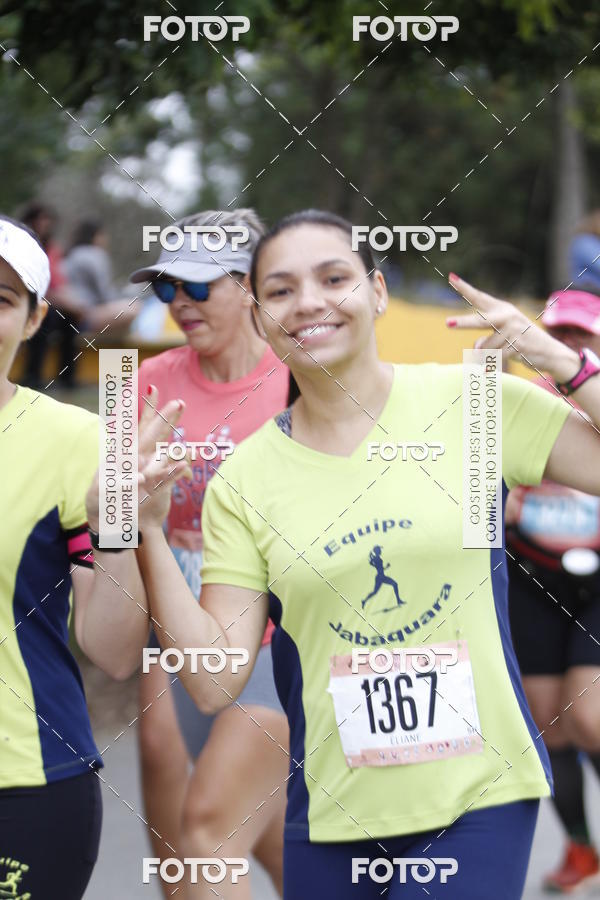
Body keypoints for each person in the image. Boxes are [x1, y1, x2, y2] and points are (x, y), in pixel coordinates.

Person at [135, 209, 600, 898]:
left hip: (478, 796)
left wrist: (561, 359)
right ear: (261, 318)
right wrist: (144, 528)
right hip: (330, 811)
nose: (312, 302)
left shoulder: (471, 405)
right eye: (284, 290)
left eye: (334, 278)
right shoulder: (244, 480)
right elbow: (212, 680)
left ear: (377, 291)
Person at [130, 209, 291, 898]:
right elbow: (111, 523)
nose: (180, 305)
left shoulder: (301, 380)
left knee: (207, 828)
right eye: (168, 289)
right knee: (228, 846)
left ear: (250, 284)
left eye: (198, 287)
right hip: (171, 630)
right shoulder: (141, 384)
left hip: (274, 636)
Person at [0, 214, 151, 899]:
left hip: (26, 788)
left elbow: (115, 653)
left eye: (2, 299)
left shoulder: (81, 442)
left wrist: (115, 524)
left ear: (33, 321)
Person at [506, 288, 600, 893]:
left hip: (597, 582)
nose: (567, 346)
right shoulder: (523, 403)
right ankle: (582, 850)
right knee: (552, 727)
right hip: (532, 577)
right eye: (557, 336)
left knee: (590, 716)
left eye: (581, 337)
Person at [19, 203, 86, 390]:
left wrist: (75, 305)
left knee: (69, 320)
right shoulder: (20, 245)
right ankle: (32, 376)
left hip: (49, 301)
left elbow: (58, 282)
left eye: (47, 219)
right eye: (39, 218)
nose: (44, 223)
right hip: (25, 299)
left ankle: (68, 378)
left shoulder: (53, 250)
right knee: (44, 317)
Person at [64, 218, 138, 332]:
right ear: (96, 235)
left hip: (67, 317)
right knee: (134, 307)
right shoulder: (96, 255)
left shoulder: (70, 254)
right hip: (85, 316)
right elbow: (105, 295)